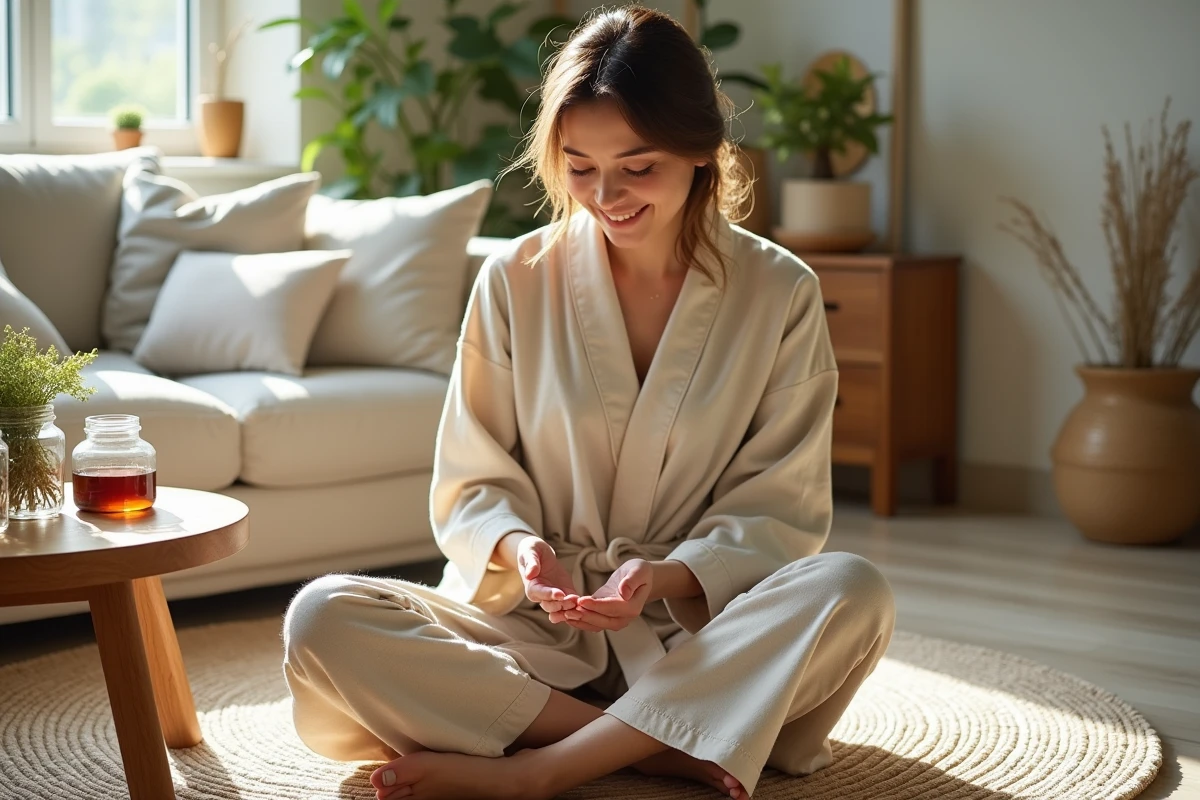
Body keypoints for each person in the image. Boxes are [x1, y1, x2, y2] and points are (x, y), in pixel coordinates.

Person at [281, 7, 896, 800]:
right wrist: (519, 551)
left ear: (700, 151)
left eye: (637, 167)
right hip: (534, 635)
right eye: (579, 166)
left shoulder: (781, 292)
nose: (606, 196)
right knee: (323, 615)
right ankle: (668, 746)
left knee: (851, 589)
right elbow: (472, 479)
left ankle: (542, 767)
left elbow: (781, 506)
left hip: (699, 636)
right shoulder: (514, 279)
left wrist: (666, 576)